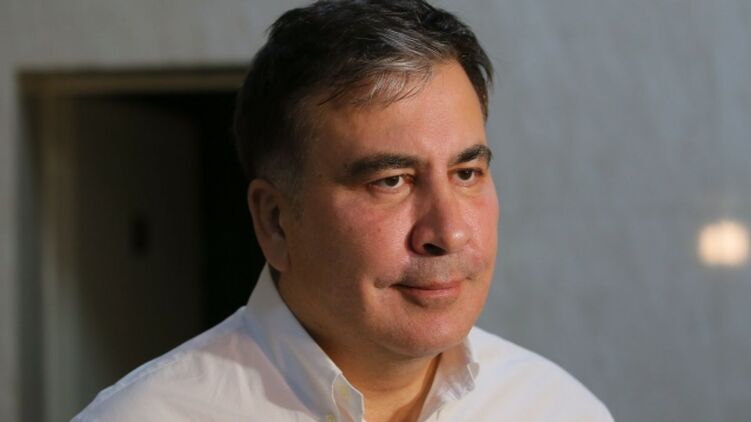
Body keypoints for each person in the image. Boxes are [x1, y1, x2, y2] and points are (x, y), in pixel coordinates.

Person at [74, 1, 614, 421]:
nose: (448, 232)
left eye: (467, 173)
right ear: (275, 221)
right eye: (391, 181)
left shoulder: (559, 409)